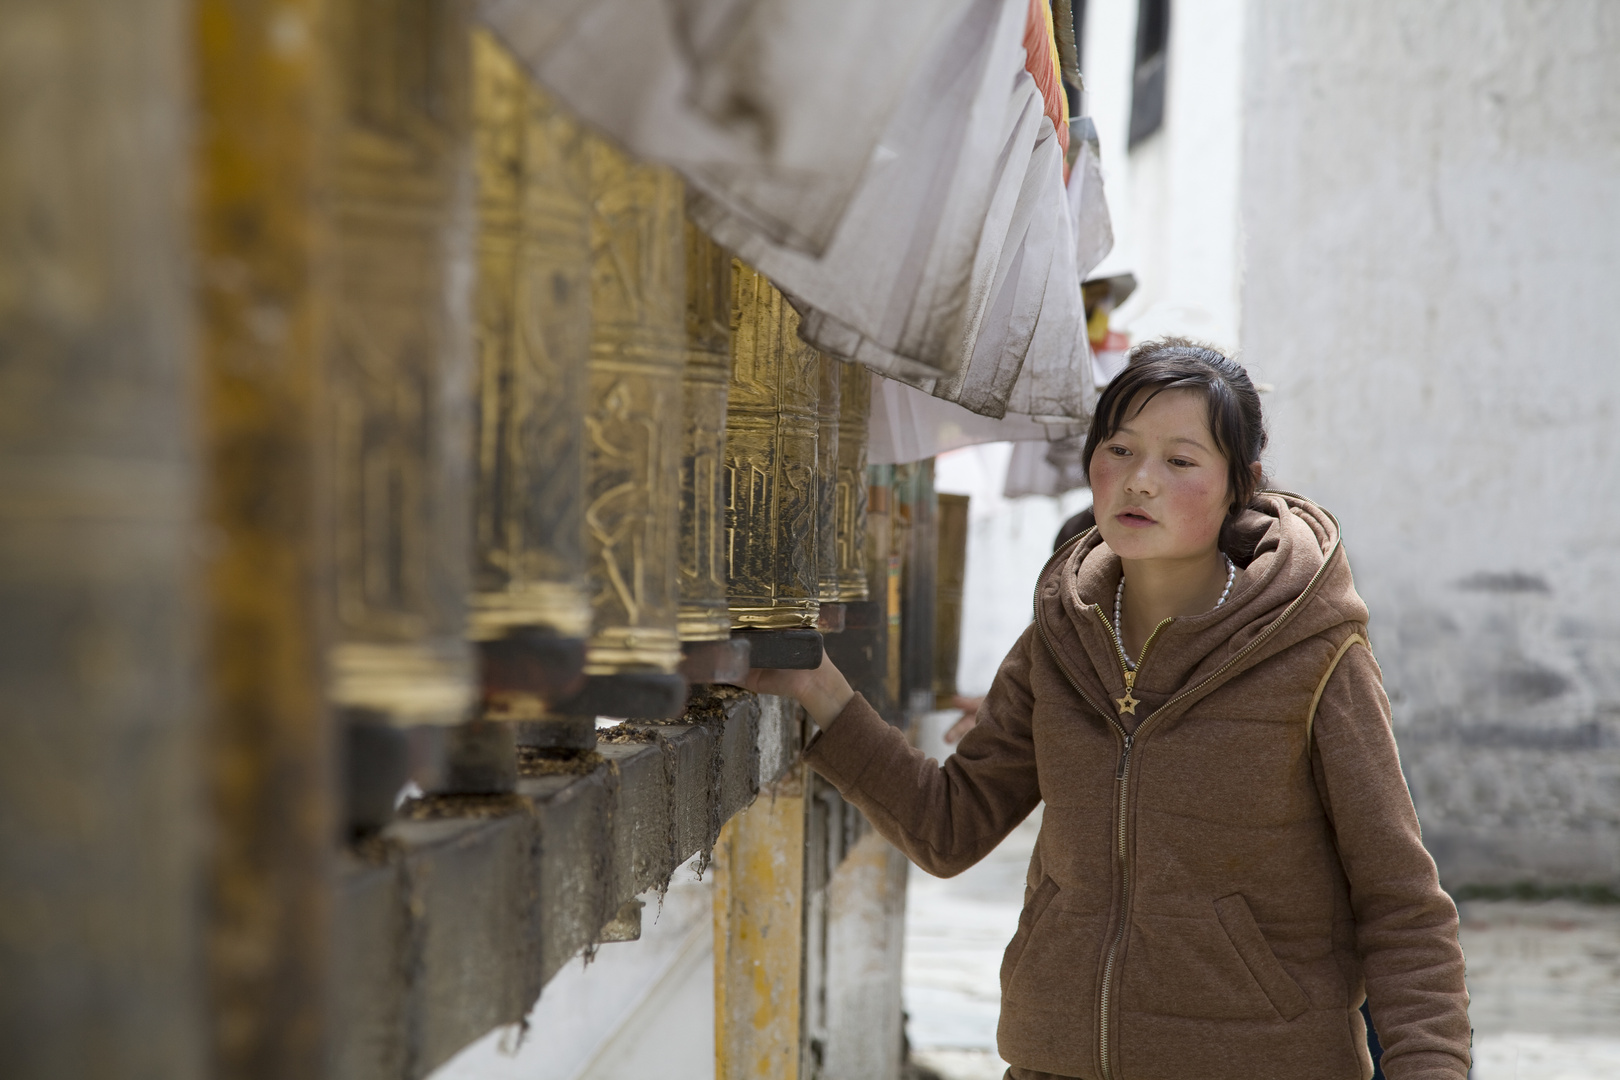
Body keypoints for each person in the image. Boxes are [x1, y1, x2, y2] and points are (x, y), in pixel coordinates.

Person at [737, 339, 1470, 1079]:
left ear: (1237, 485)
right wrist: (818, 691)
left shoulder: (1313, 655)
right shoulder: (1061, 638)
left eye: (1181, 461)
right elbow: (950, 825)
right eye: (1118, 449)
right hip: (1055, 1062)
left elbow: (1402, 905)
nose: (1139, 482)